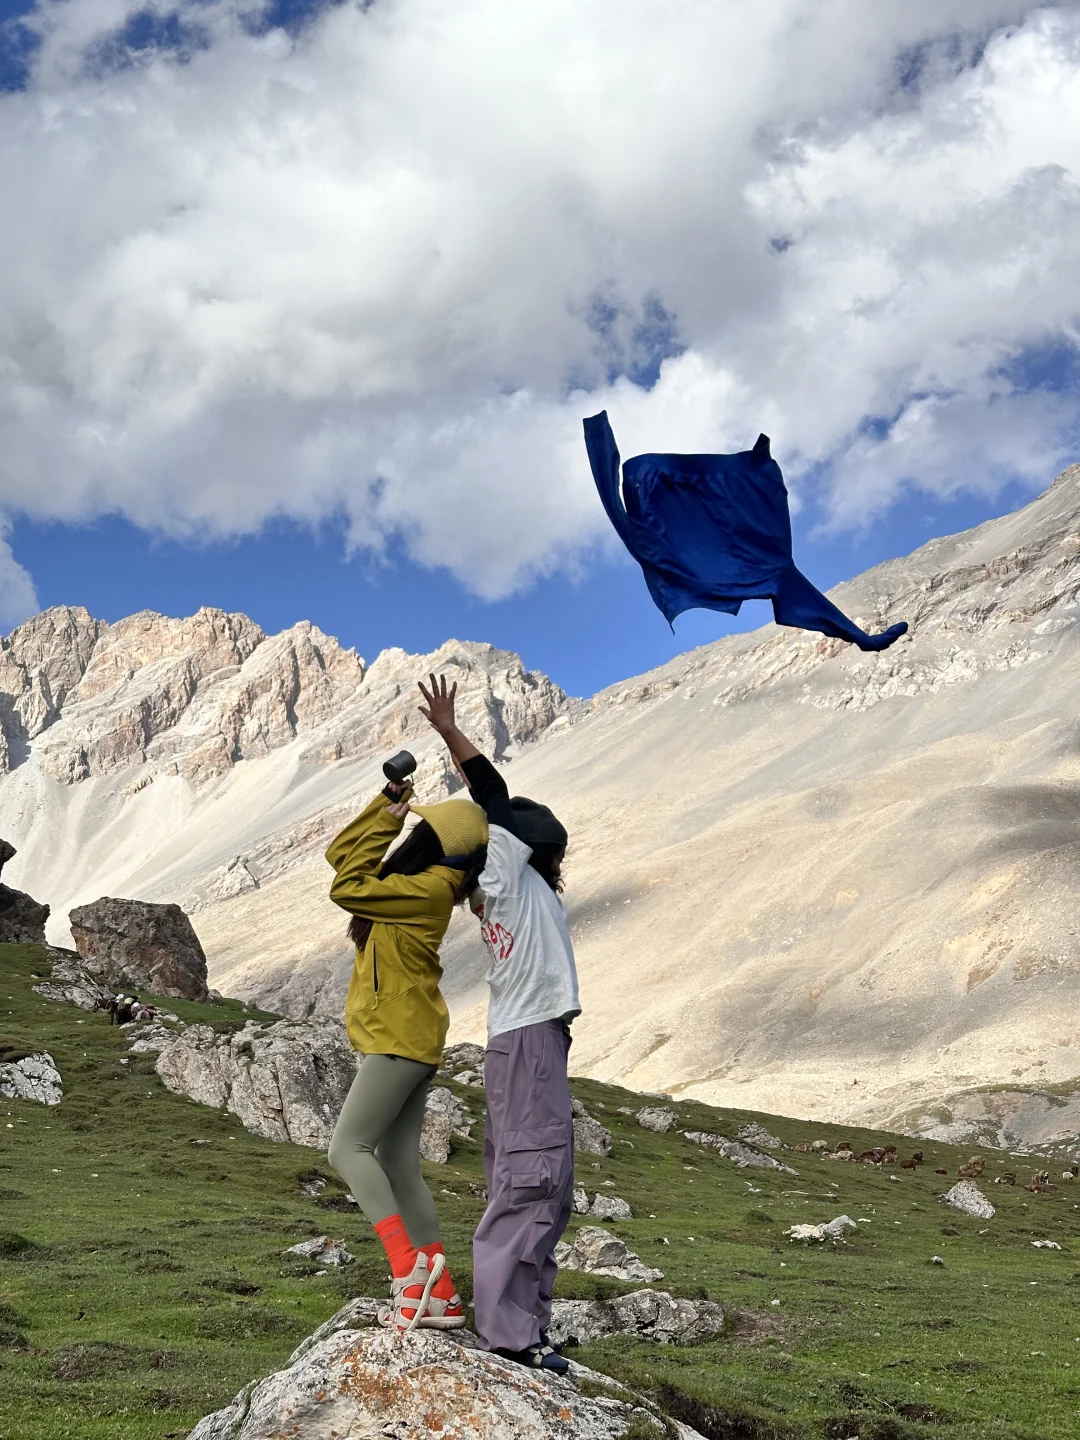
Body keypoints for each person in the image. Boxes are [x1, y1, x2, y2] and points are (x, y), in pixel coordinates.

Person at [418, 673, 581, 1374]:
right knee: (530, 1180)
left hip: (535, 1040)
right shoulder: (508, 865)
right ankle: (510, 1336)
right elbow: (492, 793)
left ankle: (526, 1325)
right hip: (527, 1041)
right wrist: (452, 733)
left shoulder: (524, 885)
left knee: (547, 1183)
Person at [325, 770, 488, 1333]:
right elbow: (340, 857)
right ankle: (440, 1293)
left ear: (433, 843)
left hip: (399, 1036)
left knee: (346, 1150)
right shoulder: (425, 885)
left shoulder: (427, 890)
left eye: (418, 827)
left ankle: (409, 1274)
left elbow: (345, 887)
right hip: (411, 1036)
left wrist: (383, 831)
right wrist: (382, 810)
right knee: (397, 1166)